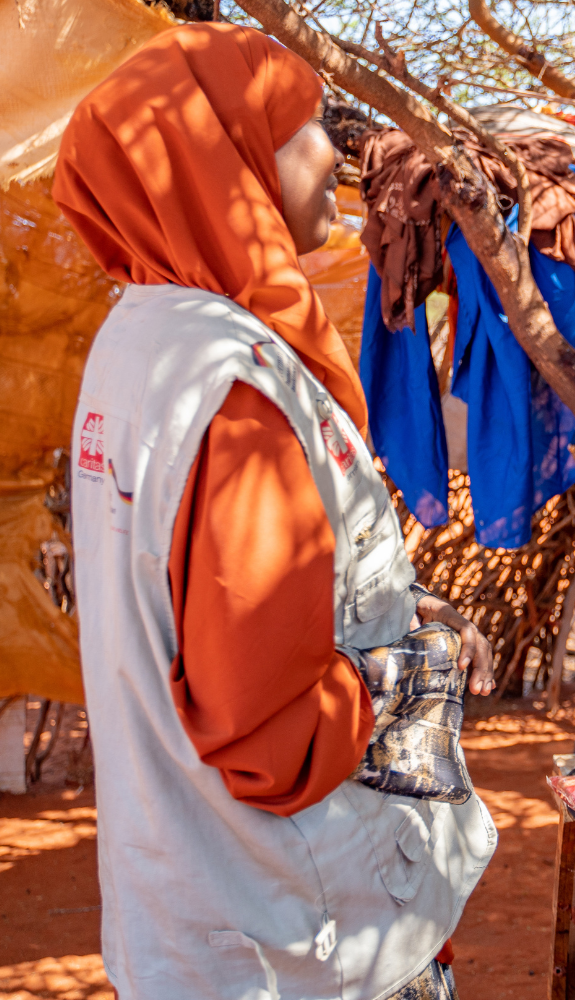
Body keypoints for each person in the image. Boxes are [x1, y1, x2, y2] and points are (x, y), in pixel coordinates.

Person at [54, 23, 498, 999]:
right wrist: (416, 667)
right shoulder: (235, 388)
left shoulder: (139, 342)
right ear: (234, 162)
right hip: (303, 939)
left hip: (198, 916)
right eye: (307, 129)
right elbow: (274, 740)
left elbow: (206, 604)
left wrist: (385, 608)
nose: (336, 156)